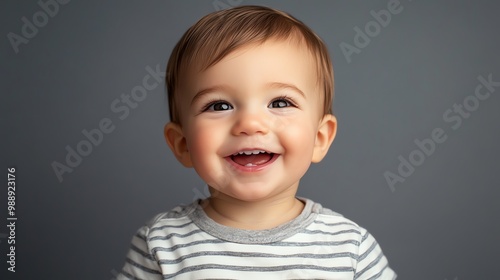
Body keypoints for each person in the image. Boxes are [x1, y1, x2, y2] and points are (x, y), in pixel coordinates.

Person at [117, 5, 396, 279]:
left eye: (280, 102)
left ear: (319, 138)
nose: (250, 124)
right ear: (182, 144)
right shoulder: (162, 245)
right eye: (219, 106)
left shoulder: (350, 249)